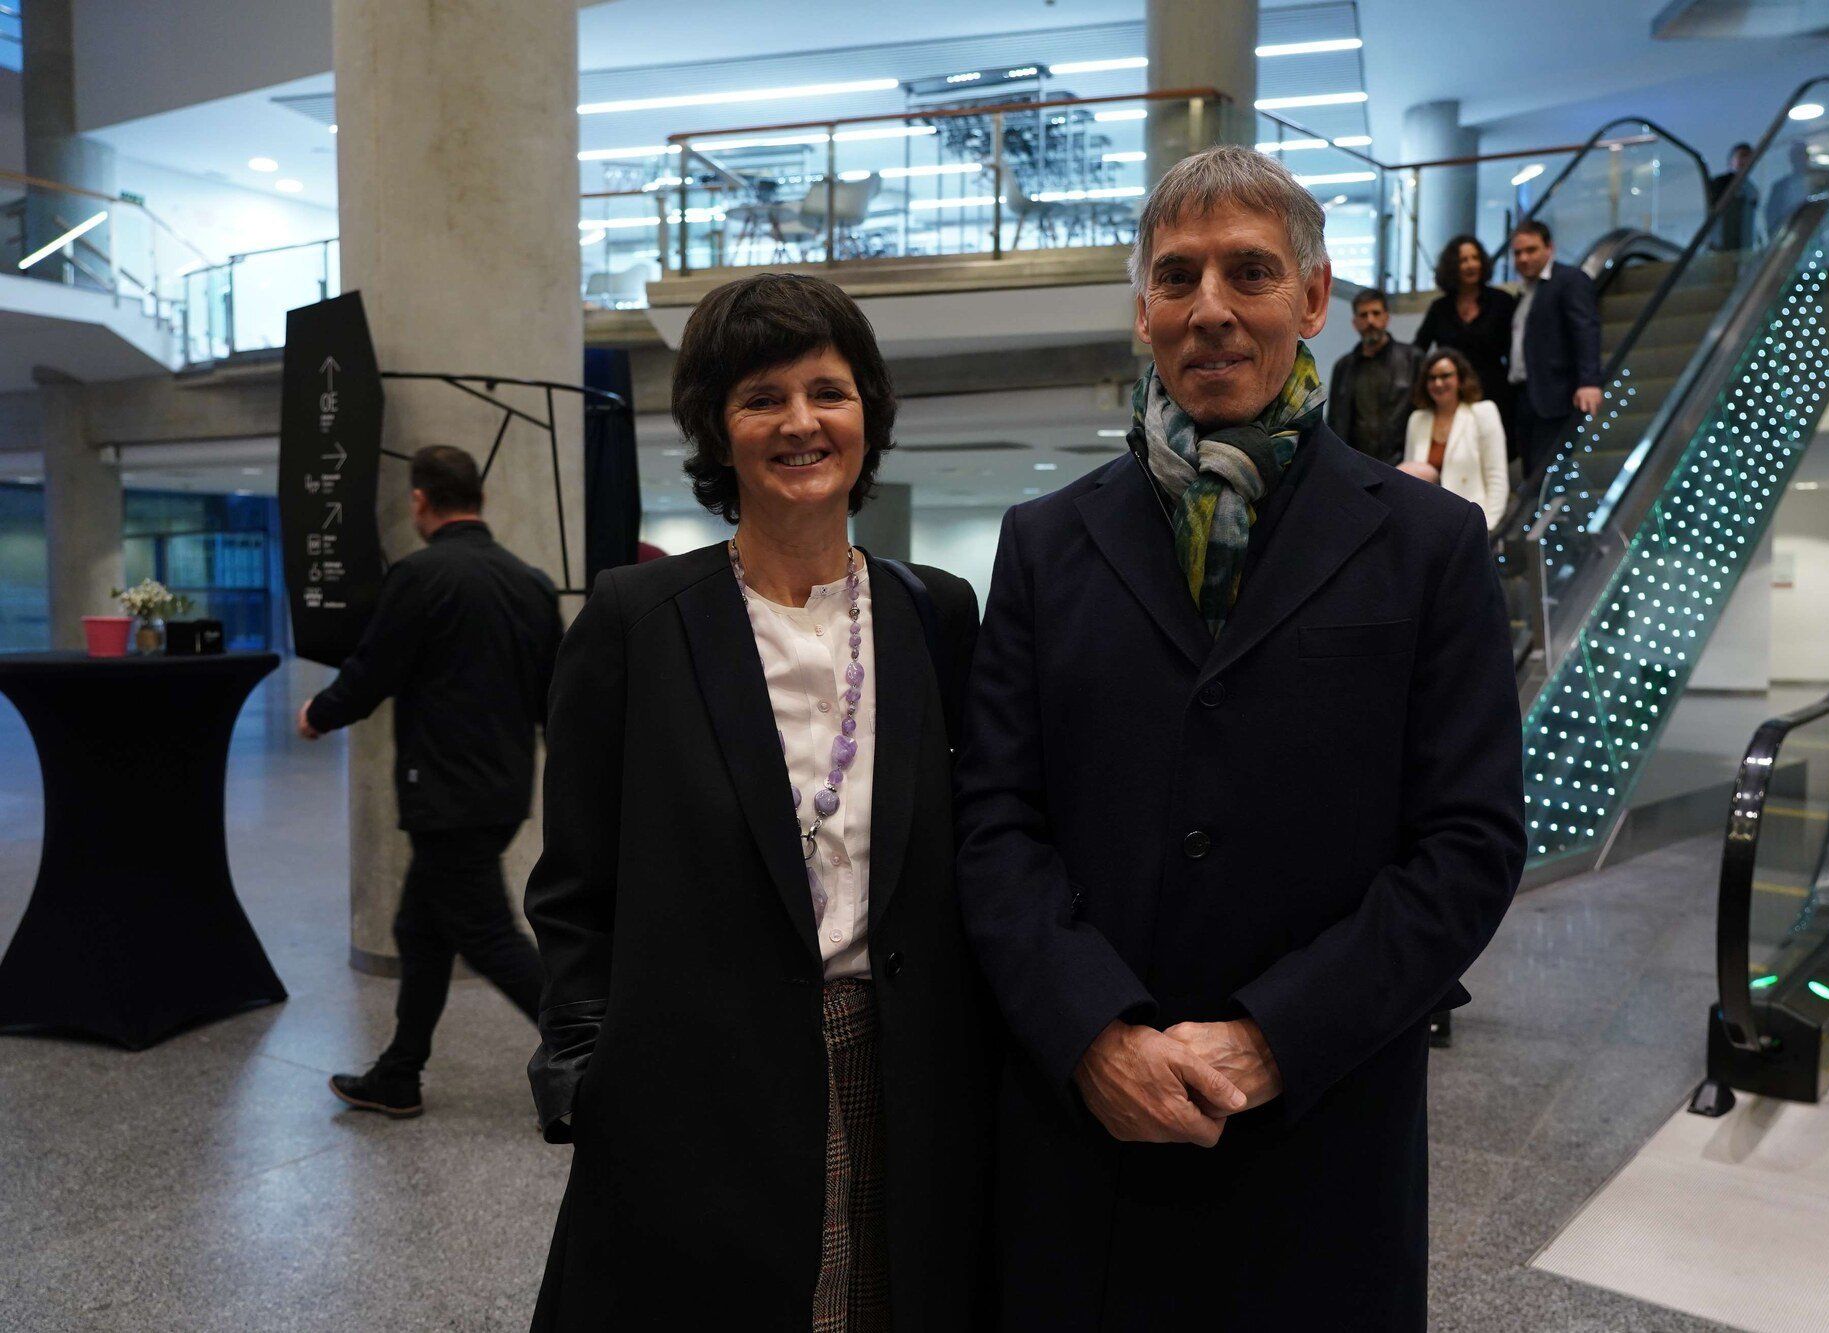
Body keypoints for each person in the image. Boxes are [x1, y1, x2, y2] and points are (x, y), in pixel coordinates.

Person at [957, 144, 1524, 1330]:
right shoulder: (1045, 544)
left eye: (1248, 272)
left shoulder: (1425, 546)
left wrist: (1274, 1037)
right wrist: (1094, 1033)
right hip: (1087, 1150)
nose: (1208, 308)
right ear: (1141, 312)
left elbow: (1467, 844)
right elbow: (995, 822)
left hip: (1317, 1139)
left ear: (1311, 298)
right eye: (1176, 277)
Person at [524, 272, 991, 1331]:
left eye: (827, 391)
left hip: (906, 1071)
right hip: (698, 1084)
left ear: (867, 412)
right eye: (761, 398)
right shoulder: (636, 619)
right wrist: (586, 1074)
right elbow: (574, 884)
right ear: (716, 428)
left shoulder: (934, 612)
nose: (800, 423)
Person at [304, 444, 563, 1119]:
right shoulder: (530, 582)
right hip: (503, 786)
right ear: (479, 498)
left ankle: (604, 1052)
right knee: (420, 929)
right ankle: (398, 1075)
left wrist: (318, 714)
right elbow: (554, 695)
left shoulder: (421, 575)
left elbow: (374, 669)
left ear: (421, 500)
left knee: (489, 936)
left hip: (446, 791)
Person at [1508, 219, 1603, 481]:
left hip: (1557, 396)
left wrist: (1589, 381)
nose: (1524, 258)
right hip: (1525, 396)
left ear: (1549, 248)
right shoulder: (1525, 293)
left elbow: (1585, 328)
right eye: (1518, 253)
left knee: (1549, 473)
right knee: (1532, 472)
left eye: (1531, 250)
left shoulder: (1569, 280)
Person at [1412, 235, 1518, 459]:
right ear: (1453, 266)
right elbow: (1418, 349)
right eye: (1463, 260)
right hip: (1451, 397)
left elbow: (1515, 352)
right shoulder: (1440, 308)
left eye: (1475, 258)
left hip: (1494, 394)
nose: (1470, 265)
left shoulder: (1502, 302)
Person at [1404, 347, 1509, 536]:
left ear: (1460, 378)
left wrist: (1488, 526)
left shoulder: (1483, 413)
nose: (1438, 383)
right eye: (1431, 378)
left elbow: (1497, 478)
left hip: (1472, 524)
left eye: (1445, 376)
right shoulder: (1417, 420)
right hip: (1428, 526)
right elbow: (1410, 481)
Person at [1324, 286, 1419, 465]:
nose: (1370, 320)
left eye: (1376, 313)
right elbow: (1335, 420)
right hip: (1355, 465)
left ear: (1386, 317)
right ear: (1355, 322)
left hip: (1403, 465)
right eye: (1363, 315)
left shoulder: (1412, 359)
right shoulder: (1343, 367)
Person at [1708, 141, 1759, 251]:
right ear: (1731, 160)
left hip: (1743, 248)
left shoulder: (1752, 190)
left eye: (1749, 157)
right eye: (1742, 156)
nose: (1745, 161)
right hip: (1720, 246)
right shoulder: (1720, 183)